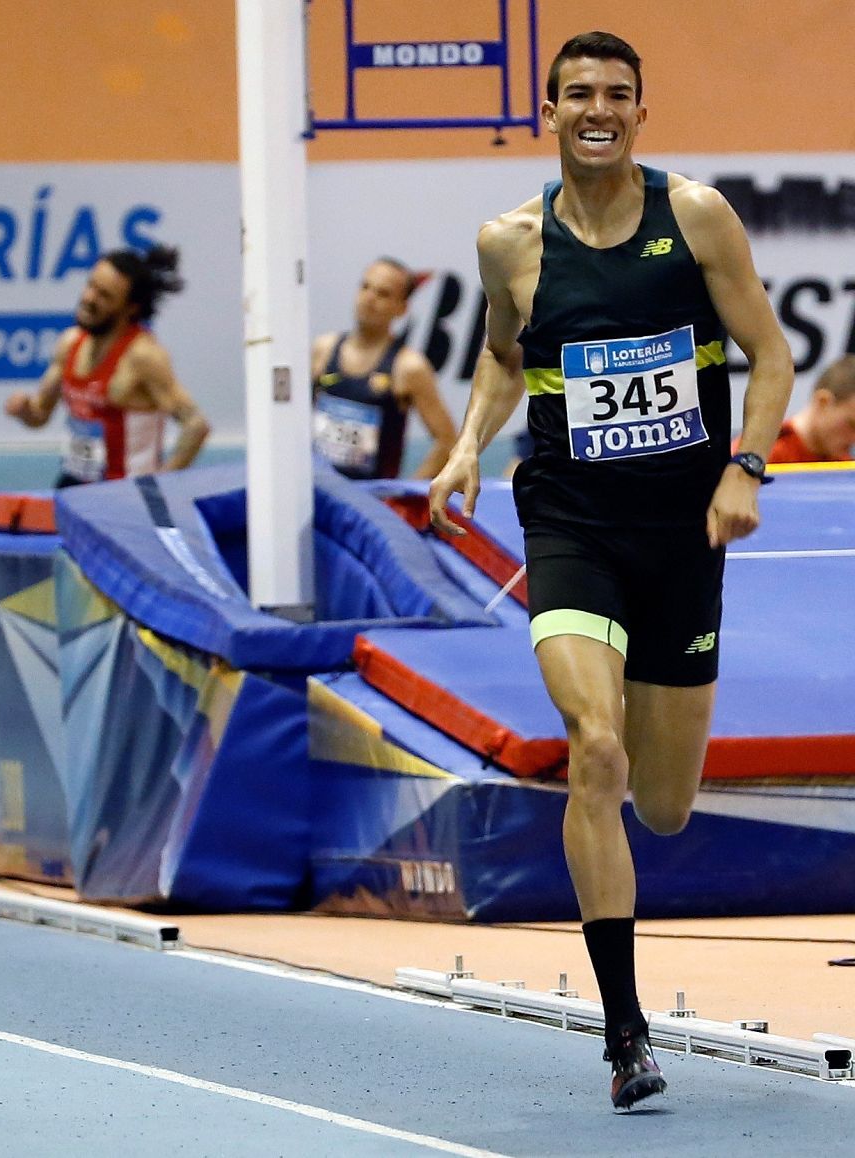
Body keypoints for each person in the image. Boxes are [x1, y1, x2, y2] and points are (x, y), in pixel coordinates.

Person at [425, 32, 792, 1110]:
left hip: (683, 535)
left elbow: (771, 356)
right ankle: (625, 1034)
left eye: (616, 94)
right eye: (578, 93)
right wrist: (465, 446)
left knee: (665, 806)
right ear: (547, 112)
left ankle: (642, 726)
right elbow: (505, 356)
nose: (598, 109)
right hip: (571, 523)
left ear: (640, 111)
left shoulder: (698, 217)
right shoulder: (509, 242)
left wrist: (745, 468)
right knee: (595, 749)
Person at [4, 245, 210, 486]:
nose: (89, 299)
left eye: (105, 295)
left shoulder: (143, 357)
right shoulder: (70, 344)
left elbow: (195, 425)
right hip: (75, 486)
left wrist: (163, 483)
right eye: (91, 286)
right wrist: (24, 409)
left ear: (131, 307)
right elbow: (40, 415)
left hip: (124, 494)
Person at [311, 258, 458, 479]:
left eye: (383, 293)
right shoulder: (323, 349)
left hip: (370, 497)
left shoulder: (409, 367)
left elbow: (447, 440)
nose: (369, 298)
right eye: (365, 287)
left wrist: (405, 494)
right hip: (316, 491)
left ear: (402, 308)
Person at [744, 354, 855, 463]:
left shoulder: (843, 463)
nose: (853, 439)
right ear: (823, 402)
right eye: (851, 424)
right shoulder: (760, 455)